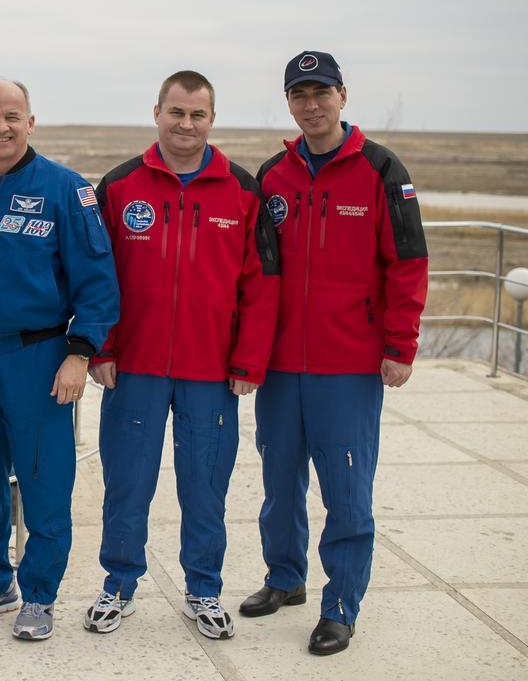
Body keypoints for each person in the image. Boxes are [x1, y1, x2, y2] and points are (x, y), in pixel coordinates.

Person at [82, 71, 279, 641]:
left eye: (197, 115)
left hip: (210, 373)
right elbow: (99, 277)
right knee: (128, 482)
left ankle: (204, 589)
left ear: (211, 119)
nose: (185, 124)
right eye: (176, 112)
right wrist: (103, 348)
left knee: (205, 485)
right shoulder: (119, 187)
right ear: (157, 113)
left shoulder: (242, 191)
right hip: (135, 367)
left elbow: (262, 283)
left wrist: (248, 362)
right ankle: (119, 585)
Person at [243, 50, 427, 656]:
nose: (312, 105)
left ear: (343, 96)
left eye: (322, 93)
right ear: (289, 103)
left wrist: (400, 345)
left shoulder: (380, 169)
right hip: (280, 364)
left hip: (348, 366)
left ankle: (341, 604)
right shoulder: (273, 176)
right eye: (300, 95)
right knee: (278, 479)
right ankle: (285, 578)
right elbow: (255, 273)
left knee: (346, 490)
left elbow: (408, 263)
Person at [0, 78, 119, 641]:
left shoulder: (66, 190)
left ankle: (39, 594)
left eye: (12, 116)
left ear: (31, 122)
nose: (1, 127)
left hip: (38, 361)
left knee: (44, 482)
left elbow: (98, 283)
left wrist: (80, 353)